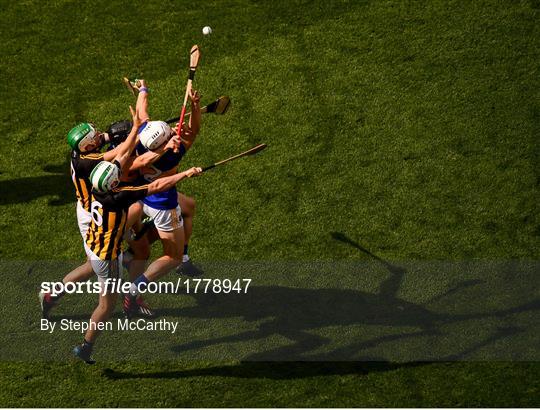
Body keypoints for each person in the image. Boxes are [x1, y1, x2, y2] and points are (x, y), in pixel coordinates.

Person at [73, 127, 203, 363]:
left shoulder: (97, 191)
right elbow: (154, 186)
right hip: (107, 257)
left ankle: (132, 254)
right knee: (105, 307)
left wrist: (139, 126)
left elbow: (123, 161)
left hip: (95, 243)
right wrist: (185, 173)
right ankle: (86, 346)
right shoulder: (119, 197)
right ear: (113, 185)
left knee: (134, 246)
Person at [39, 103, 143, 319]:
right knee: (96, 262)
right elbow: (119, 153)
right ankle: (127, 245)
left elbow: (104, 139)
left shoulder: (80, 150)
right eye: (94, 137)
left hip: (90, 206)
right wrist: (135, 130)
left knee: (96, 260)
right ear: (87, 147)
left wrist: (115, 133)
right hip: (93, 213)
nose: (99, 137)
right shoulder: (86, 162)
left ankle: (53, 294)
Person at [120, 79, 204, 317]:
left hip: (141, 196)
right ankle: (134, 290)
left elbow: (142, 111)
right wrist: (195, 107)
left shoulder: (140, 142)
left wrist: (143, 90)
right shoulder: (172, 156)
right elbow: (193, 130)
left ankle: (147, 250)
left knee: (189, 205)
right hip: (163, 204)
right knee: (171, 256)